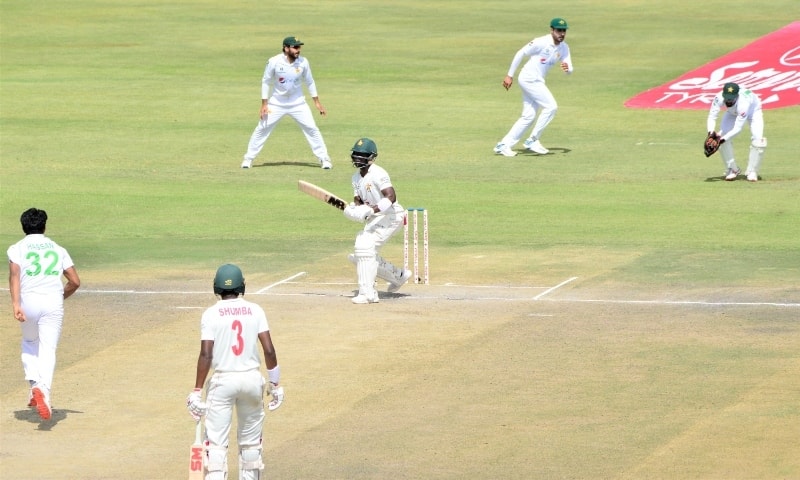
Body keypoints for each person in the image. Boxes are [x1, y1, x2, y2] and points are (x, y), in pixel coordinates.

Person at [186, 264, 284, 480]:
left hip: (222, 382)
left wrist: (196, 390)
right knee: (251, 447)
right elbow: (269, 350)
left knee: (216, 450)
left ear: (216, 287)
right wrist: (275, 385)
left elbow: (206, 355)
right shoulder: (256, 310)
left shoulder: (210, 314)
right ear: (242, 286)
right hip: (251, 381)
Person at [7, 208, 81, 420]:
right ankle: (44, 391)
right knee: (48, 349)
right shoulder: (58, 249)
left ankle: (34, 385)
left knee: (30, 342)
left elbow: (14, 276)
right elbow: (75, 281)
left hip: (28, 301)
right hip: (52, 302)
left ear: (23, 227)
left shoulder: (17, 248)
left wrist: (15, 305)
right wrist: (60, 297)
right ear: (44, 226)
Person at [241, 36, 332, 170]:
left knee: (312, 129)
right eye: (295, 47)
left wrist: (316, 102)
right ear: (286, 48)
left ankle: (324, 159)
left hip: (298, 103)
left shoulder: (303, 62)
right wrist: (264, 104)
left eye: (299, 47)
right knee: (262, 128)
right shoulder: (274, 62)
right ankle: (248, 159)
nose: (298, 50)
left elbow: (310, 81)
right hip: (277, 103)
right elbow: (266, 81)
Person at [343, 138, 412, 304]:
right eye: (356, 154)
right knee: (360, 253)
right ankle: (398, 276)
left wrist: (371, 210)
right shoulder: (355, 178)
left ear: (371, 157)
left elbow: (391, 197)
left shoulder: (378, 173)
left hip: (392, 216)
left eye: (362, 155)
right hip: (376, 218)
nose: (358, 158)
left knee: (365, 247)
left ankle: (368, 294)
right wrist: (355, 209)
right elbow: (358, 199)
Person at [494, 17, 574, 157]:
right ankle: (533, 140)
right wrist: (509, 75)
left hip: (537, 81)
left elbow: (569, 68)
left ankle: (503, 145)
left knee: (528, 116)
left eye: (564, 31)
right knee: (551, 107)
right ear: (552, 30)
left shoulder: (564, 47)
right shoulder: (541, 42)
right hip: (529, 79)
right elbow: (521, 53)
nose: (561, 33)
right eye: (559, 30)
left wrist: (567, 69)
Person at [706, 82, 766, 182]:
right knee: (721, 135)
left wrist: (721, 140)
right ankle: (732, 169)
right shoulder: (718, 98)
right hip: (731, 113)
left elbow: (737, 129)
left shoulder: (744, 102)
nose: (728, 101)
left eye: (731, 98)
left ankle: (752, 171)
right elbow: (712, 116)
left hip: (753, 111)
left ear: (737, 95)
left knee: (758, 141)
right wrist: (710, 133)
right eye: (727, 98)